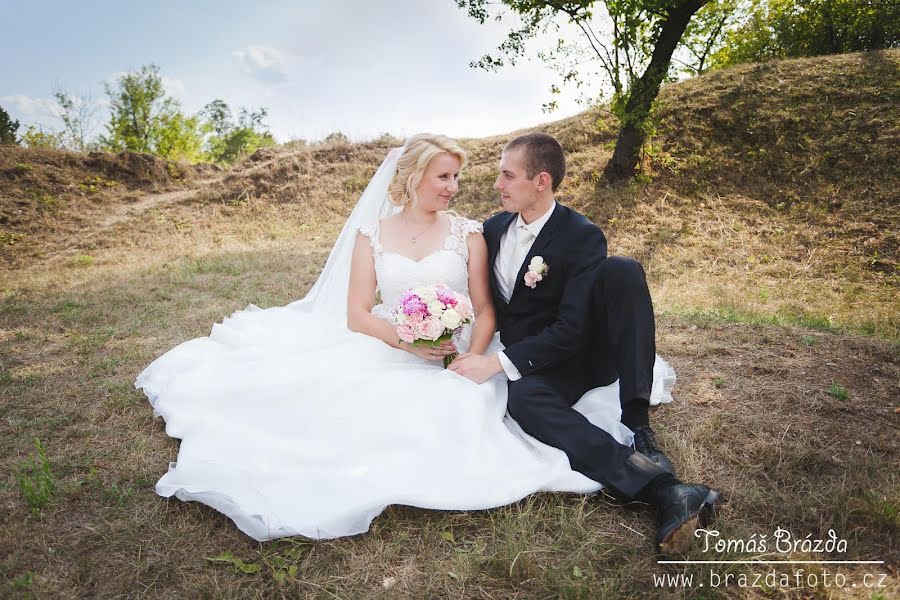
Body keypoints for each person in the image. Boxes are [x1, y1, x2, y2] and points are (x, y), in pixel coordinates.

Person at [134, 133, 677, 547]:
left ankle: (639, 439)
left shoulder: (508, 233)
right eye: (445, 177)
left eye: (500, 176)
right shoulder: (480, 229)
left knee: (612, 283)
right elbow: (359, 312)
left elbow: (498, 311)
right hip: (412, 348)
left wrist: (478, 354)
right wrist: (406, 339)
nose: (470, 186)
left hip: (517, 349)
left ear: (539, 181)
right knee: (339, 412)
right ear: (415, 175)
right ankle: (650, 485)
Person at [449, 133, 722, 554]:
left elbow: (572, 329)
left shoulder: (581, 235)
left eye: (507, 175)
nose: (496, 185)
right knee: (521, 402)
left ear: (541, 181)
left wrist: (498, 363)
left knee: (624, 271)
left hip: (577, 354)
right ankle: (664, 490)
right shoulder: (493, 228)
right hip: (532, 358)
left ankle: (638, 425)